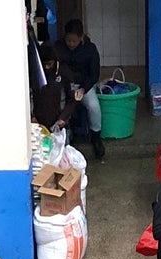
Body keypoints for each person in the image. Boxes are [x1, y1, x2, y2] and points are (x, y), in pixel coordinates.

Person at [59, 19, 105, 161]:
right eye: (68, 40)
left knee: (94, 107)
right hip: (64, 85)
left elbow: (94, 74)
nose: (71, 44)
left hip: (83, 86)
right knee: (60, 106)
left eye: (74, 41)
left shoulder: (90, 49)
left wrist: (84, 88)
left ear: (81, 37)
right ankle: (65, 136)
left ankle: (96, 137)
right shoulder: (59, 47)